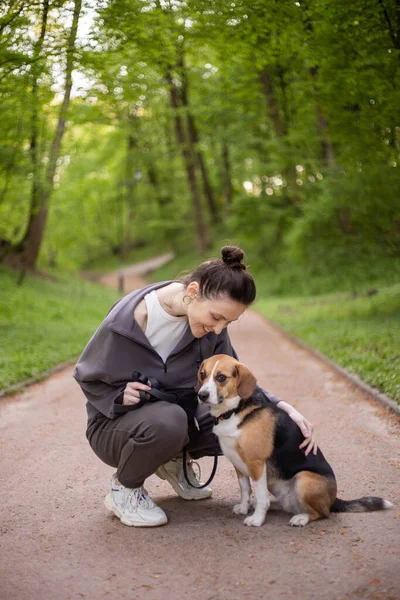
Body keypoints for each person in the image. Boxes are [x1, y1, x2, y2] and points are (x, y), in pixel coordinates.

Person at [73, 246, 317, 528]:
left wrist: (284, 409)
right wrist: (116, 395)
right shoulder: (124, 323)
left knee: (242, 425)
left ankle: (172, 460)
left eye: (228, 322)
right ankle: (124, 489)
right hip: (114, 427)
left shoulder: (211, 327)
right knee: (170, 421)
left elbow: (236, 384)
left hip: (175, 416)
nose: (218, 329)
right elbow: (86, 375)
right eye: (216, 317)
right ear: (192, 291)